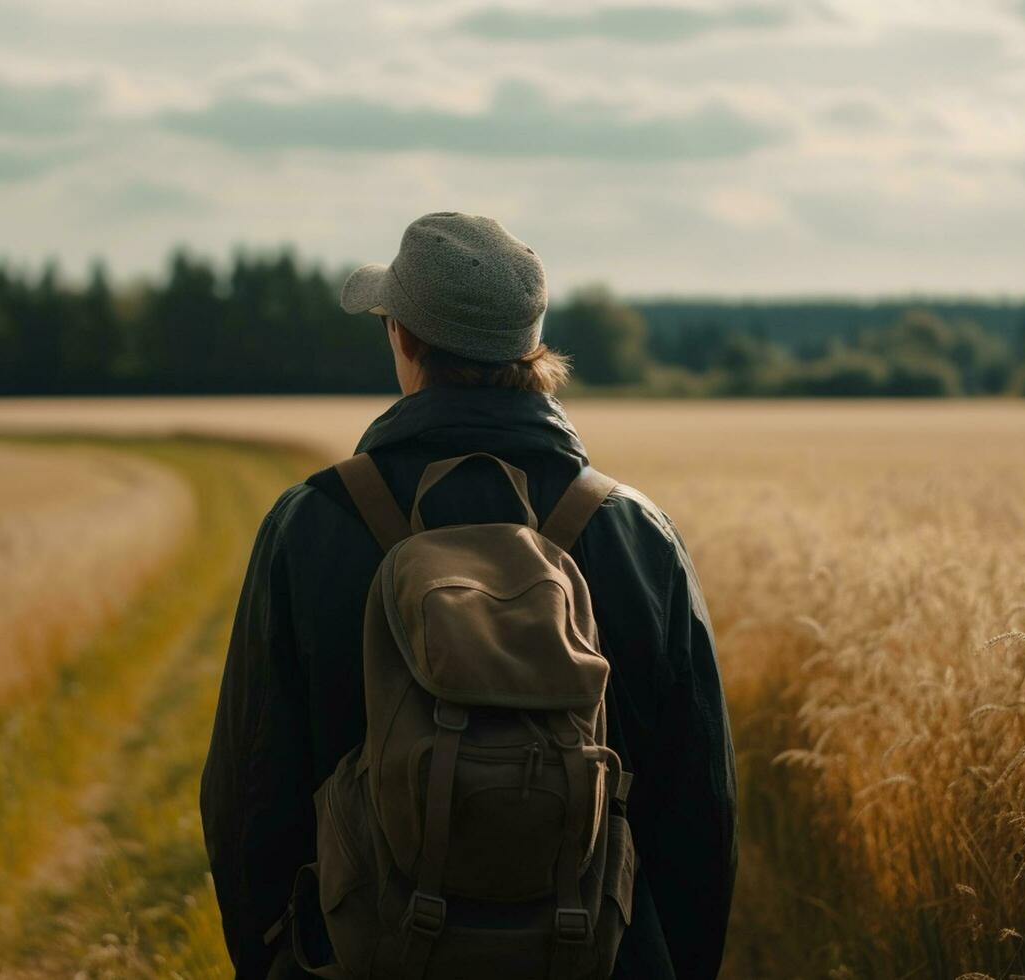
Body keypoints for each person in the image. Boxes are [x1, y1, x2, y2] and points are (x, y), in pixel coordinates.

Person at [201, 212, 736, 979]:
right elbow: (700, 813)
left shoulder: (308, 525)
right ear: (532, 347)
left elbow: (247, 798)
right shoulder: (638, 535)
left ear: (405, 338)